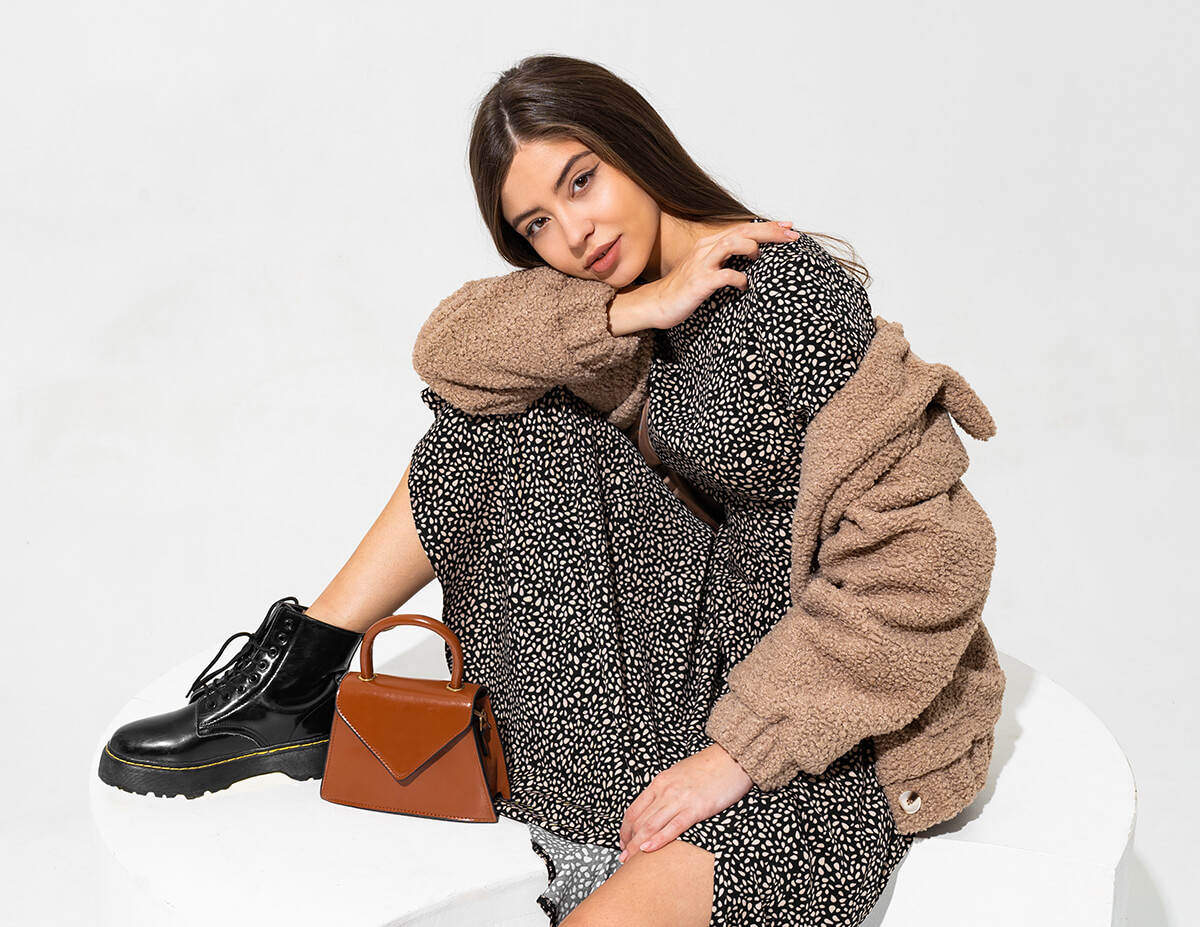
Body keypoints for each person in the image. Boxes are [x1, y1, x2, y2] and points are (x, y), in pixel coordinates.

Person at [98, 54, 1005, 927]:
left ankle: (307, 688)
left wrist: (737, 754)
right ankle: (299, 672)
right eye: (535, 223)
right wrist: (633, 309)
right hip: (701, 647)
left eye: (582, 181)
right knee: (490, 421)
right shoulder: (640, 298)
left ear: (634, 144)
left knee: (711, 868)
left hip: (821, 705)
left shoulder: (785, 294)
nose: (573, 234)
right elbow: (449, 355)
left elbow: (929, 565)